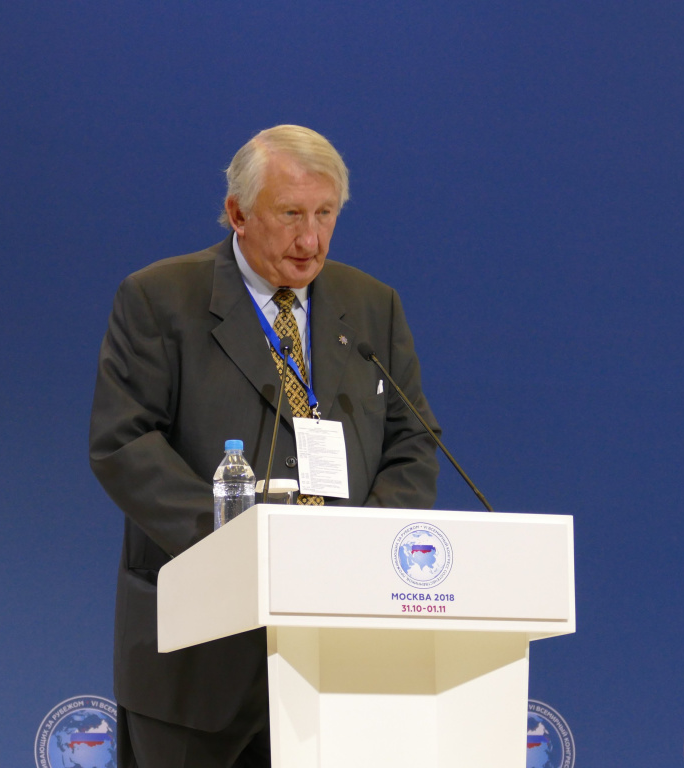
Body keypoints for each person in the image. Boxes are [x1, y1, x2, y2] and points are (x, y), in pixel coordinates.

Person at [89, 124, 440, 768]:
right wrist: (237, 549)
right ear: (238, 213)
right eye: (291, 215)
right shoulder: (161, 299)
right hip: (197, 660)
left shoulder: (373, 307)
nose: (311, 240)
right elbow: (123, 442)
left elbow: (413, 440)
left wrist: (366, 551)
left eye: (325, 214)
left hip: (338, 654)